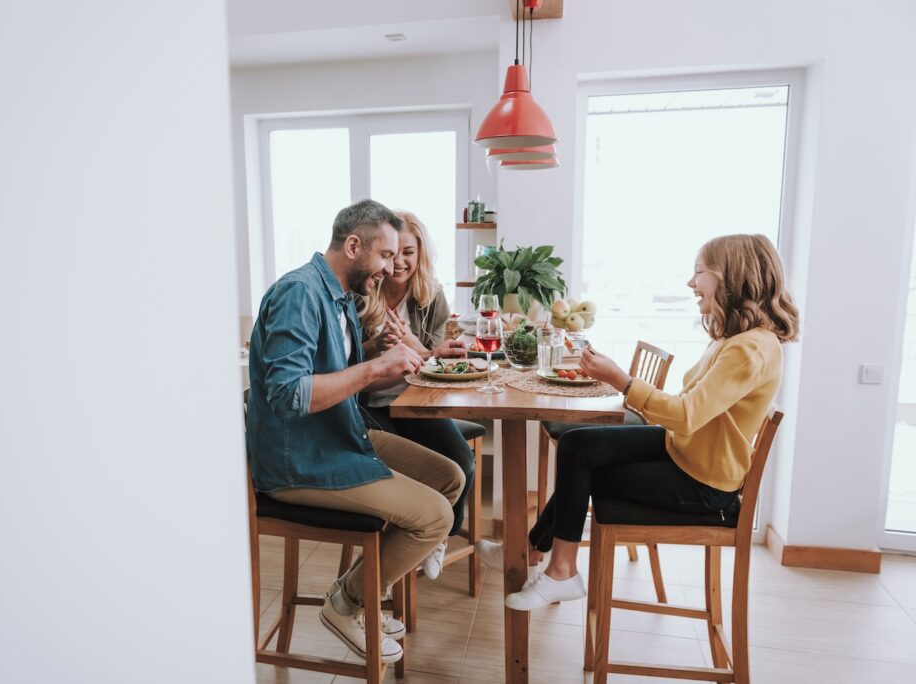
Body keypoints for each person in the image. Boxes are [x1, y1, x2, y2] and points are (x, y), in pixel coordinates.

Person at [478, 234, 799, 611]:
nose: (691, 283)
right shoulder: (738, 338)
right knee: (578, 446)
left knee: (586, 473)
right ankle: (532, 550)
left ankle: (561, 571)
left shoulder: (750, 348)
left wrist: (622, 380)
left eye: (699, 273)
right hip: (684, 451)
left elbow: (686, 414)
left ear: (731, 276)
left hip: (705, 483)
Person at [246, 199, 465, 664]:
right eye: (386, 255)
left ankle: (363, 591)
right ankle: (347, 602)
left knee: (450, 477)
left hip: (337, 434)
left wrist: (380, 355)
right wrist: (374, 369)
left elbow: (334, 369)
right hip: (299, 459)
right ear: (353, 246)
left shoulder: (338, 295)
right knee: (435, 518)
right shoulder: (300, 294)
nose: (392, 268)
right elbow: (288, 394)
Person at [356, 210, 474, 580]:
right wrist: (377, 345)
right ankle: (393, 555)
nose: (400, 262)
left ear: (420, 253)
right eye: (392, 254)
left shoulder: (430, 296)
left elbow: (431, 362)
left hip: (415, 402)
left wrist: (411, 344)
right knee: (412, 478)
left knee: (461, 463)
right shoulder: (362, 293)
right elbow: (344, 363)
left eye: (409, 252)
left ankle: (439, 536)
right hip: (371, 406)